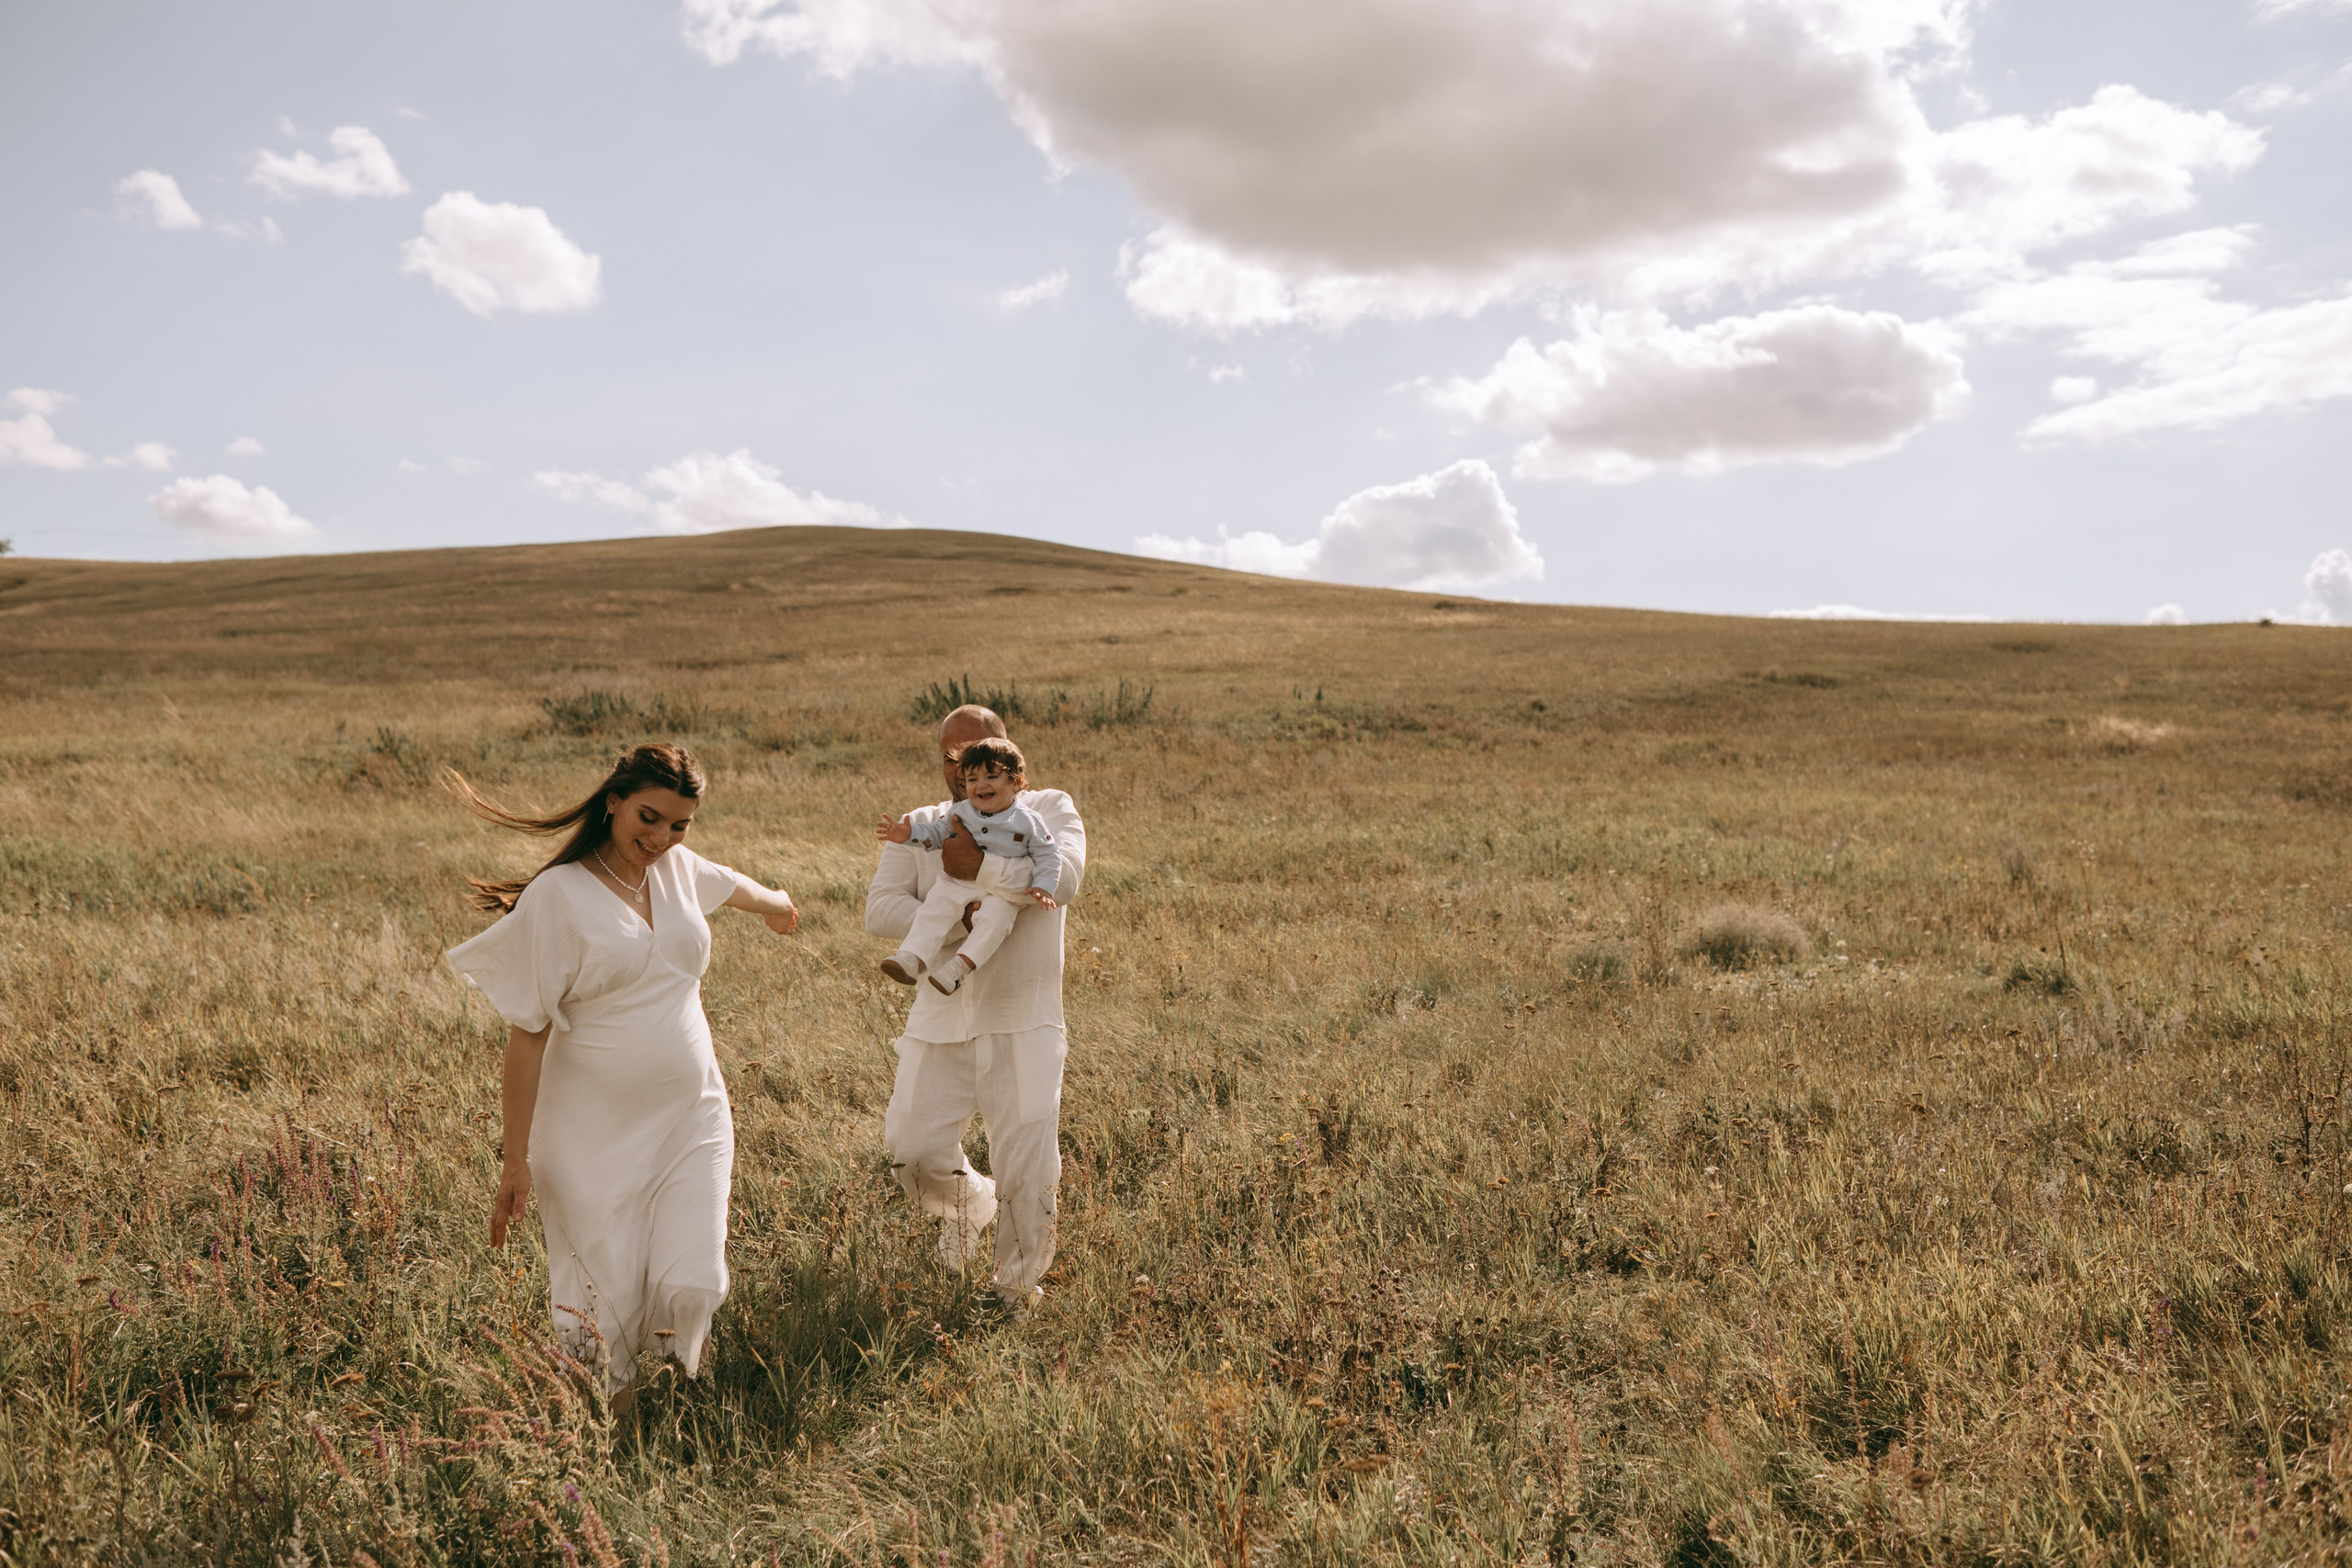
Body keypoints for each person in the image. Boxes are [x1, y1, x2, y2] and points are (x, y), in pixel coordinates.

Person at [443, 743, 799, 1404]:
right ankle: (615, 1441)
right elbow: (528, 1035)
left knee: (694, 1277)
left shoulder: (679, 869)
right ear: (613, 801)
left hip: (692, 1111)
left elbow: (732, 883)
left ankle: (663, 1393)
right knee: (601, 1301)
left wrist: (778, 903)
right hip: (589, 1130)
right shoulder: (559, 895)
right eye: (649, 817)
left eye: (680, 824)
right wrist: (512, 1160)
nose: (662, 837)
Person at [867, 705, 1085, 1308]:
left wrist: (979, 870)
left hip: (1023, 1015)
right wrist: (963, 917)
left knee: (1027, 1158)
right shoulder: (924, 824)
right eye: (949, 755)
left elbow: (1063, 882)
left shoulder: (1050, 808)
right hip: (940, 1017)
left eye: (976, 751)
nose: (962, 766)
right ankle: (970, 1207)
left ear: (1007, 750)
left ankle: (1016, 1289)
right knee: (910, 1149)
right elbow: (879, 909)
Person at [875, 736, 1065, 996]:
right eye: (972, 780)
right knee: (936, 908)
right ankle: (911, 957)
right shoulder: (961, 812)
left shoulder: (1029, 820)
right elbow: (936, 832)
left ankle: (957, 970)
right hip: (956, 883)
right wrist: (909, 834)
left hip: (1000, 894)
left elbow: (1048, 854)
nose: (980, 785)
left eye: (991, 777)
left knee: (996, 922)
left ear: (1015, 781)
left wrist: (1044, 886)